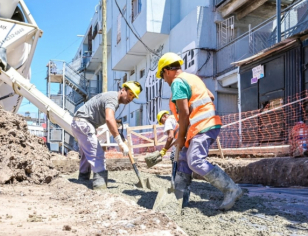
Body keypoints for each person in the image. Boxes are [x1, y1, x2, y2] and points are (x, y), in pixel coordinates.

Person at [156, 52, 243, 211]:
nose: (165, 81)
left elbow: (183, 114)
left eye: (163, 77)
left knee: (195, 160)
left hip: (203, 126)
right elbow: (210, 96)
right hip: (200, 127)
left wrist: (181, 137)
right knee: (182, 157)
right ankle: (180, 196)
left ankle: (231, 188)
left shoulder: (177, 82)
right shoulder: (193, 78)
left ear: (167, 71)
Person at [72, 81, 142, 190]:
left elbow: (108, 117)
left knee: (88, 152)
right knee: (97, 151)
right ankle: (100, 185)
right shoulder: (113, 99)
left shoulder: (112, 98)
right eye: (130, 94)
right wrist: (119, 141)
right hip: (83, 123)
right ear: (123, 90)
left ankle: (83, 178)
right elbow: (109, 118)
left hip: (82, 122)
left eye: (133, 97)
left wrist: (115, 122)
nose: (130, 99)